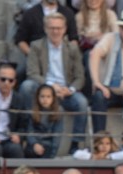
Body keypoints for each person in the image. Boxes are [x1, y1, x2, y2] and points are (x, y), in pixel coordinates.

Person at [21, 12, 89, 155]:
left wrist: (70, 89)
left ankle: (75, 144)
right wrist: (50, 86)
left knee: (82, 102)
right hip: (44, 89)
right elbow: (32, 73)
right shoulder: (36, 46)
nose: (55, 31)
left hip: (65, 92)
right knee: (27, 86)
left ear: (64, 29)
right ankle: (30, 129)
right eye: (52, 28)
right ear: (45, 29)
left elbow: (80, 77)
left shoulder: (72, 48)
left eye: (59, 28)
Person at [13, 0, 78, 83]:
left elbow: (73, 38)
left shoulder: (68, 13)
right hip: (35, 56)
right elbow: (20, 40)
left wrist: (68, 56)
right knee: (19, 75)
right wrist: (33, 55)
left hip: (60, 57)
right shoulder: (30, 13)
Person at [76, 0, 118, 93]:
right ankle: (90, 92)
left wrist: (103, 37)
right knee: (89, 56)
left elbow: (116, 34)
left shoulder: (110, 14)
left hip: (106, 48)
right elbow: (78, 36)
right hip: (88, 49)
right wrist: (89, 37)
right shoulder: (80, 16)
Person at [25, 84, 63, 159]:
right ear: (37, 97)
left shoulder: (59, 111)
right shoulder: (32, 110)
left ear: (53, 98)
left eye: (48, 97)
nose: (45, 99)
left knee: (47, 154)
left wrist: (53, 153)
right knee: (29, 152)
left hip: (48, 145)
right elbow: (29, 131)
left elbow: (57, 134)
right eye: (42, 96)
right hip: (34, 143)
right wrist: (35, 144)